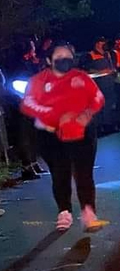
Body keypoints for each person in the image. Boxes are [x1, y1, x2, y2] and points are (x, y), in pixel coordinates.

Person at [20, 41, 108, 232]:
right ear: (49, 60)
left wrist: (86, 114)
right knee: (60, 174)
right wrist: (56, 116)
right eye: (59, 57)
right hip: (52, 135)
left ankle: (89, 212)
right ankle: (64, 212)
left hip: (83, 133)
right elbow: (28, 104)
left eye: (68, 57)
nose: (64, 60)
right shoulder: (38, 81)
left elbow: (98, 97)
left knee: (84, 174)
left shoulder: (81, 77)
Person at [6, 37, 47, 180]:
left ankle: (33, 162)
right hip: (21, 105)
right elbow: (15, 84)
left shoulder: (30, 63)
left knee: (32, 135)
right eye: (32, 47)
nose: (34, 49)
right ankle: (27, 167)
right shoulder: (17, 65)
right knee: (24, 136)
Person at [80, 37, 118, 134]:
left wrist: (113, 71)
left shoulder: (107, 54)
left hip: (109, 84)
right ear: (97, 44)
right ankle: (98, 128)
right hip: (97, 85)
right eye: (102, 42)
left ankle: (108, 126)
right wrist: (101, 72)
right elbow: (86, 70)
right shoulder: (90, 55)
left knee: (108, 105)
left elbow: (111, 66)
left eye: (105, 42)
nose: (105, 44)